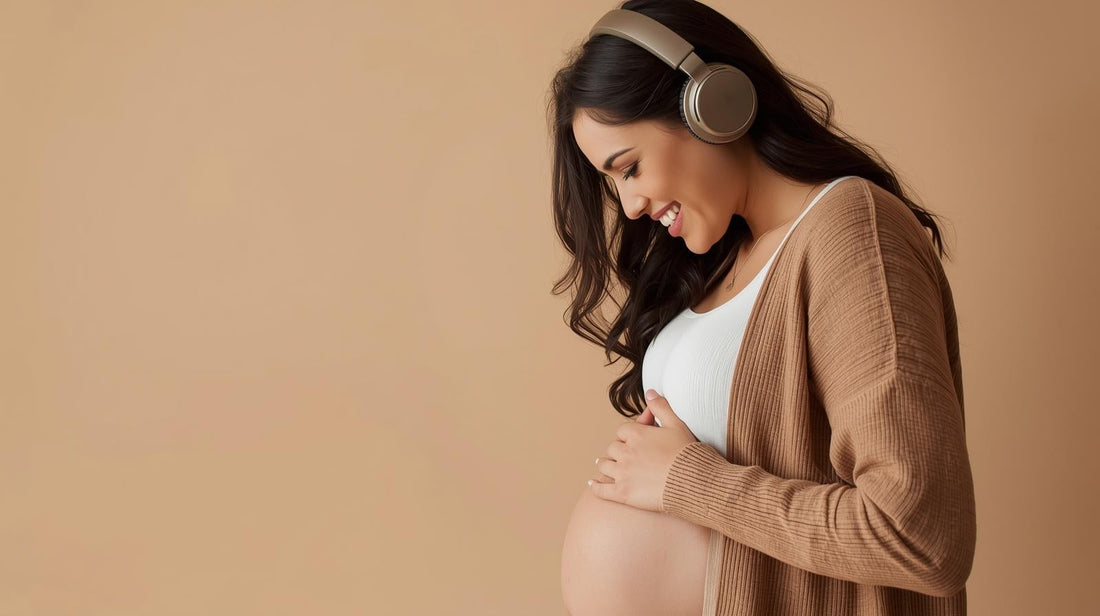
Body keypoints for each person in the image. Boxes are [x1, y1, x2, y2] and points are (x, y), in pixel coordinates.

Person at [548, 1, 977, 615]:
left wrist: (688, 483)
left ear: (711, 105)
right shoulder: (724, 257)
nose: (631, 205)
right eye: (612, 183)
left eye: (630, 167)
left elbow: (920, 535)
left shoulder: (852, 231)